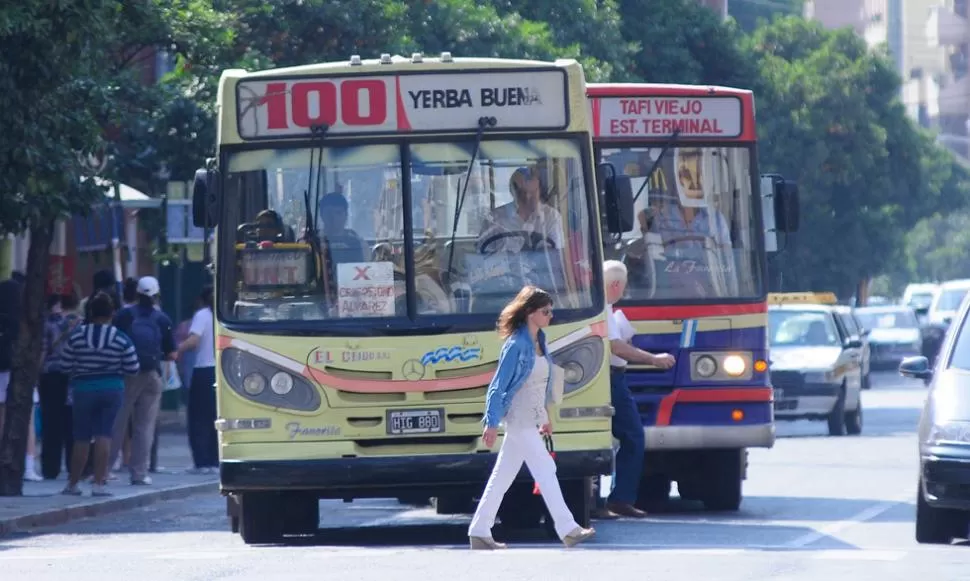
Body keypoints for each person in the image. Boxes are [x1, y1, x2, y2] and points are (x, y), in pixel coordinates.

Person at [467, 285, 595, 550]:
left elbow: (540, 385)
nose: (550, 316)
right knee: (545, 468)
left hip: (530, 418)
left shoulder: (541, 341)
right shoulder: (516, 345)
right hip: (518, 418)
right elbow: (498, 386)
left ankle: (479, 529)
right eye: (545, 311)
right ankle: (568, 528)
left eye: (551, 311)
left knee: (502, 476)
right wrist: (490, 423)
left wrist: (545, 416)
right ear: (529, 313)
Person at [598, 260, 675, 518]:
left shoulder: (601, 307)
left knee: (599, 436)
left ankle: (601, 499)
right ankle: (620, 498)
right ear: (617, 284)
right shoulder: (604, 308)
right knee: (633, 436)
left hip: (606, 377)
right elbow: (616, 347)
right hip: (612, 379)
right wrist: (654, 359)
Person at [60, 292, 140, 496]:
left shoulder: (77, 336)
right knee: (104, 434)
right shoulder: (121, 338)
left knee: (81, 437)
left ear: (90, 312)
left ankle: (73, 483)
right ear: (112, 313)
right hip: (112, 389)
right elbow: (133, 367)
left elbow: (64, 364)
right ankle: (98, 483)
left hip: (83, 389)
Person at [109, 276, 177, 485]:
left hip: (126, 374)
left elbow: (114, 341)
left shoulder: (124, 315)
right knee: (144, 426)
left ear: (137, 293)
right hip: (152, 375)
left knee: (118, 422)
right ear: (157, 295)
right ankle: (139, 473)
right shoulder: (163, 319)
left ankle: (105, 469)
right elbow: (172, 353)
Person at [176, 285, 217, 474]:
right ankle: (215, 460)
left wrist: (177, 349)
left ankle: (201, 462)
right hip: (220, 370)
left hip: (203, 370)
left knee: (198, 418)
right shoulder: (225, 314)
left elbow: (194, 340)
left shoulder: (202, 315)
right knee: (215, 417)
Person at [39, 294, 80, 479]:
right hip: (72, 375)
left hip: (50, 375)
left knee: (51, 422)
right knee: (72, 421)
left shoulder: (46, 323)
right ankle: (74, 466)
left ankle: (50, 468)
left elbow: (42, 350)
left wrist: (36, 372)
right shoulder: (79, 323)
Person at [477, 167, 565, 254]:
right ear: (512, 191)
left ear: (540, 191)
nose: (527, 198)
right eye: (522, 193)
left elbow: (557, 254)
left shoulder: (552, 216)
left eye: (533, 192)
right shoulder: (494, 219)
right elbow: (481, 257)